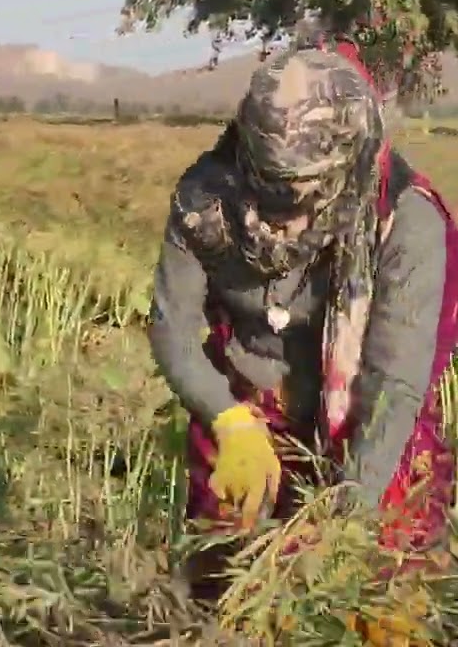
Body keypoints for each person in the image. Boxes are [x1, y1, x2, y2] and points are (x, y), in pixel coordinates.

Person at [148, 44, 458, 642]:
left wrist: (346, 521)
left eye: (297, 193)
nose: (281, 215)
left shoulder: (405, 222)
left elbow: (394, 385)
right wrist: (229, 421)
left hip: (369, 420)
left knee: (381, 589)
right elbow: (171, 327)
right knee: (226, 584)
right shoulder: (204, 202)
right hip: (250, 402)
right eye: (270, 190)